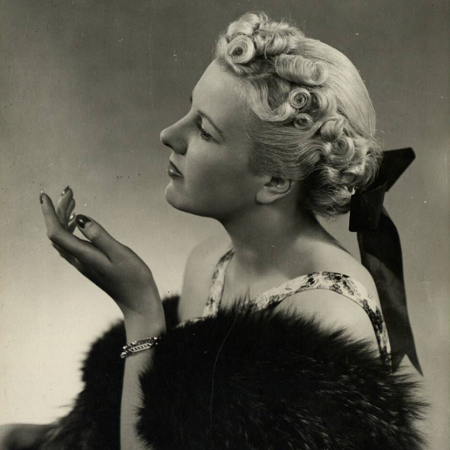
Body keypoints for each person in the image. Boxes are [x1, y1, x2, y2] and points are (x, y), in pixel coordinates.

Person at [0, 12, 424, 450]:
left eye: (204, 129)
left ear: (275, 180)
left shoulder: (328, 315)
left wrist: (141, 312)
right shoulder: (210, 262)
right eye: (190, 111)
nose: (169, 134)